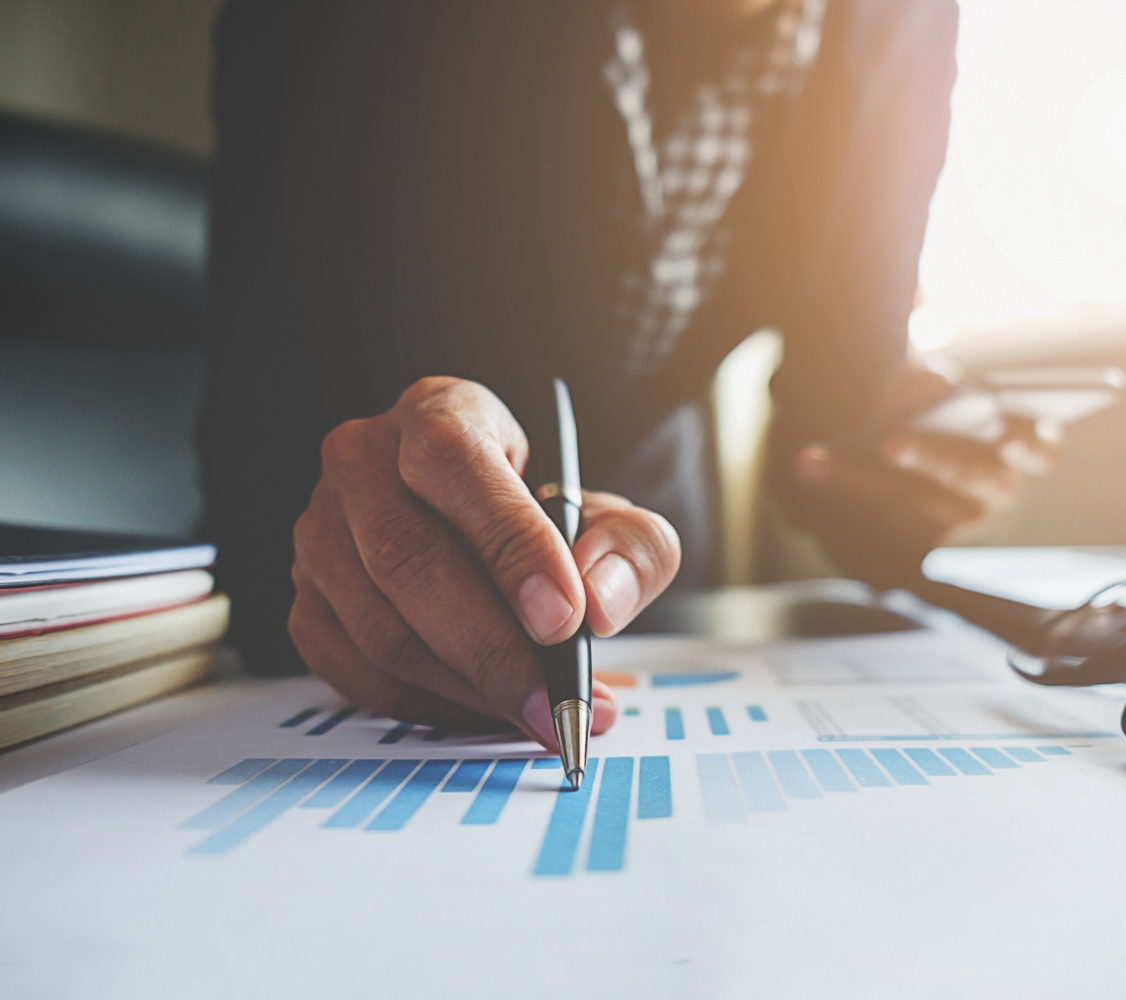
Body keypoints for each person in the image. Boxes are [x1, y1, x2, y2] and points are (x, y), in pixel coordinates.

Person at [201, 0, 1049, 750]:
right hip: (383, 567)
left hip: (665, 564)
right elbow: (263, 393)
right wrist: (338, 535)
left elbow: (827, 421)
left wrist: (900, 471)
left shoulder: (912, 20)